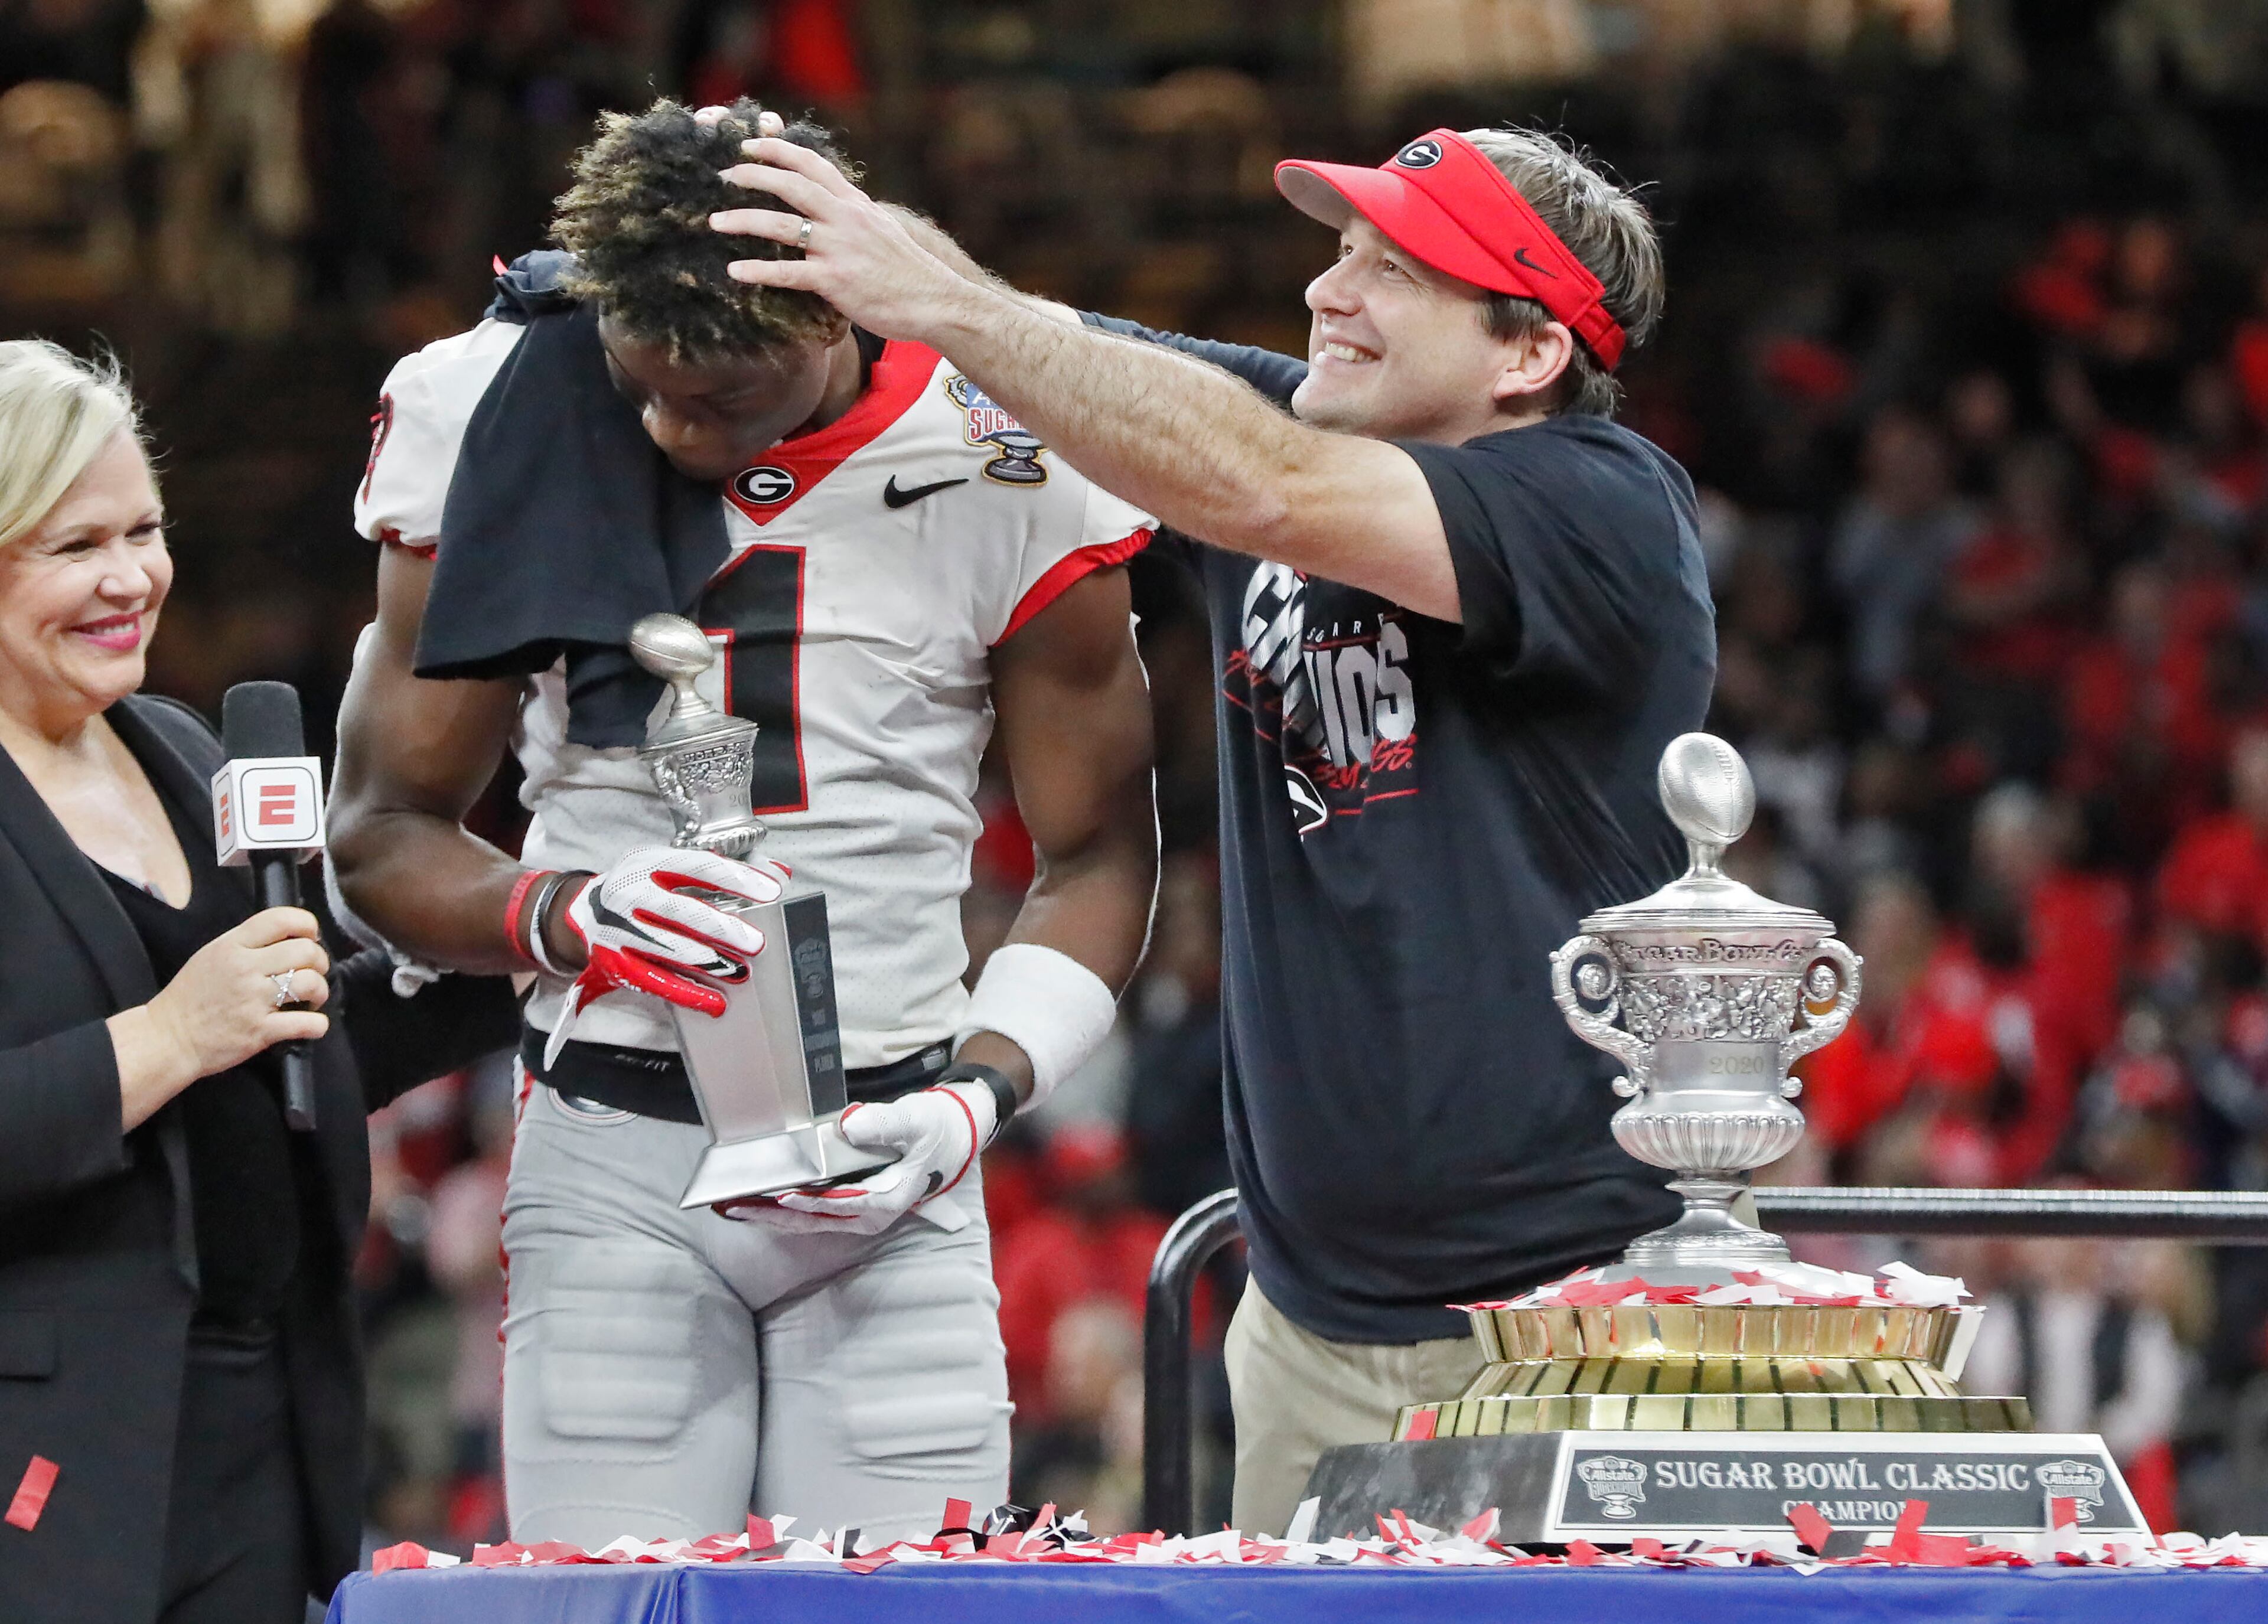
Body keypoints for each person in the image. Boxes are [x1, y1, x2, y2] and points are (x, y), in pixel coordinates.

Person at [711, 122, 1715, 1532]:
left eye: (1395, 269)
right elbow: (1040, 346)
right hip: (1308, 1320)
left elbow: (1260, 489)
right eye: (1337, 251)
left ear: (1528, 351)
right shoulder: (1287, 429)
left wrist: (934, 299)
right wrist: (812, 240)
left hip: (1561, 1320)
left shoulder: (1604, 508)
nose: (1327, 291)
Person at [326, 101, 1159, 1548]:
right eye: (645, 389)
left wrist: (976, 1096)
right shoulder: (491, 397)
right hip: (610, 1146)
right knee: (609, 1600)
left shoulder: (1006, 432)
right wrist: (566, 910)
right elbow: (380, 834)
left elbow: (1097, 858)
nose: (674, 429)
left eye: (726, 397)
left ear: (844, 308)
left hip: (890, 1148)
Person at [0, 340, 520, 1624]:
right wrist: (169, 1037)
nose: (132, 580)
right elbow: (200, 1032)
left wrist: (523, 933)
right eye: (75, 547)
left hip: (258, 1415)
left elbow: (288, 1032)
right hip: (52, 1448)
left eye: (147, 530)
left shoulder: (176, 747)